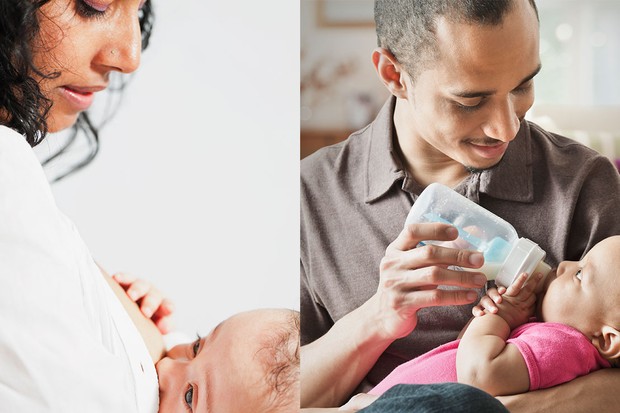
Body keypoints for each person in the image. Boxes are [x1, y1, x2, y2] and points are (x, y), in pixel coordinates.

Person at [300, 0, 620, 410]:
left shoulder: (585, 183)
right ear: (393, 75)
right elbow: (277, 395)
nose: (506, 127)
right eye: (470, 101)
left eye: (522, 85)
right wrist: (379, 316)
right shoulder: (311, 196)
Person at [368, 235, 620, 397]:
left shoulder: (565, 346)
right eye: (579, 261)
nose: (564, 264)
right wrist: (488, 319)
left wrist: (501, 317)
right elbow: (462, 350)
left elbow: (478, 376)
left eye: (579, 274)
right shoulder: (547, 332)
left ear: (606, 340)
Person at [112, 274, 300, 413]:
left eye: (190, 397)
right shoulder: (175, 350)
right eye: (196, 348)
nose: (165, 366)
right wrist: (137, 305)